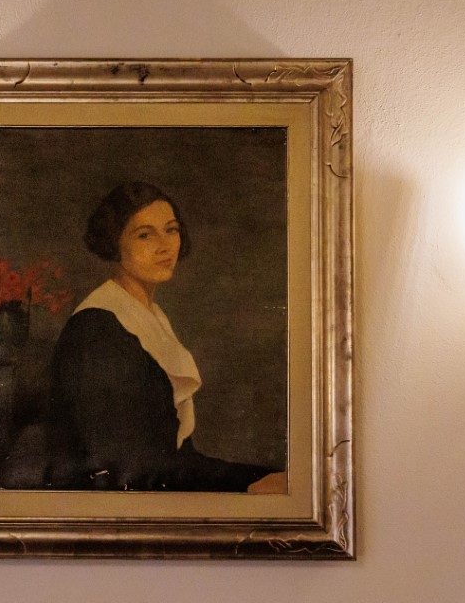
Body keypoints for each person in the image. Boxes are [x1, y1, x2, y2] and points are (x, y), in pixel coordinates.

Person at [43, 182, 286, 493]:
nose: (164, 246)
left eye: (171, 230)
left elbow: (172, 457)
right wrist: (247, 482)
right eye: (144, 235)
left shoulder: (150, 319)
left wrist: (255, 479)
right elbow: (131, 467)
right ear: (114, 242)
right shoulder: (97, 331)